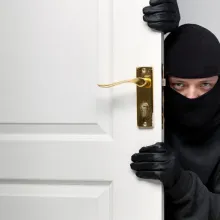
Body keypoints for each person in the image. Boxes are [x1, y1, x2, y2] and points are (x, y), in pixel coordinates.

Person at [130, 0, 220, 219]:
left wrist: (180, 182)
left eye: (205, 85)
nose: (190, 96)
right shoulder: (149, 120)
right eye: (178, 85)